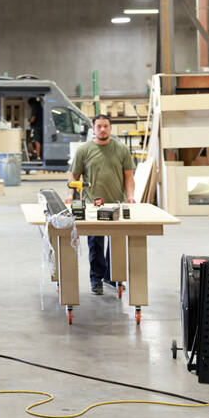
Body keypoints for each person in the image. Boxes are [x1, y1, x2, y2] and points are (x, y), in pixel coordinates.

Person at [69, 115, 135, 295]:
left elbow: (129, 176)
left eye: (106, 126)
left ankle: (112, 277)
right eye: (99, 126)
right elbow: (74, 176)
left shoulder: (121, 149)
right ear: (93, 128)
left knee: (116, 243)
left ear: (110, 128)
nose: (102, 129)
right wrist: (70, 194)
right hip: (92, 205)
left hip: (116, 203)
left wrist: (130, 197)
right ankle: (96, 279)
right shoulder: (84, 150)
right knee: (95, 244)